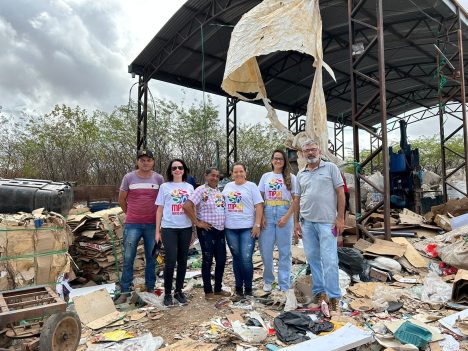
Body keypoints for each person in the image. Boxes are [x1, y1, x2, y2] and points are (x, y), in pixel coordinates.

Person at [293, 140, 345, 315]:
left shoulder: (331, 168)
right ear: (302, 154)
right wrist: (296, 222)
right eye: (306, 150)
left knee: (330, 260)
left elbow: (340, 192)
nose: (310, 153)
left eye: (313, 149)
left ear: (320, 150)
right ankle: (319, 293)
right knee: (313, 260)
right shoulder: (301, 174)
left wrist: (340, 217)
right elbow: (297, 199)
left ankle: (334, 296)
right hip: (307, 223)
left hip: (327, 223)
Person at [116, 149, 164, 304]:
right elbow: (122, 199)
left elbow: (163, 201)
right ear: (137, 161)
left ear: (153, 162)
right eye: (142, 160)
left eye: (149, 160)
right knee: (128, 257)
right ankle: (125, 291)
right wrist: (131, 213)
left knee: (152, 258)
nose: (145, 163)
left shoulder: (158, 178)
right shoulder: (129, 177)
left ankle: (150, 288)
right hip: (133, 224)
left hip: (152, 225)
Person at [183, 167, 231, 300]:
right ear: (206, 176)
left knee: (221, 260)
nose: (215, 178)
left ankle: (218, 289)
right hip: (207, 231)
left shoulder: (218, 191)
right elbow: (187, 206)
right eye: (212, 175)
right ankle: (208, 292)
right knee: (208, 260)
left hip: (220, 230)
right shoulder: (200, 190)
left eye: (217, 176)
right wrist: (197, 222)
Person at [258, 149, 298, 293]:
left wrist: (287, 217)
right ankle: (268, 280)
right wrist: (261, 216)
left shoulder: (291, 177)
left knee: (284, 251)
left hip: (284, 212)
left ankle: (284, 283)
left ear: (284, 161)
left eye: (280, 159)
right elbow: (259, 199)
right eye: (275, 158)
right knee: (266, 250)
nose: (277, 161)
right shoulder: (266, 177)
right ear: (271, 160)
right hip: (268, 212)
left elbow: (296, 200)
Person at [155, 159, 194, 307]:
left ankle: (179, 291)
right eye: (174, 168)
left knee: (183, 261)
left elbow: (193, 209)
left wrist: (194, 229)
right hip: (169, 228)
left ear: (184, 170)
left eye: (180, 167)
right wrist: (157, 231)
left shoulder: (190, 187)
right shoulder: (164, 187)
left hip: (185, 228)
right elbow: (159, 210)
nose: (177, 170)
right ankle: (168, 293)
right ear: (170, 171)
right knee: (170, 261)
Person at [222, 162, 263, 298]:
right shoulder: (228, 186)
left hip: (247, 228)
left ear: (246, 172)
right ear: (232, 174)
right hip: (230, 228)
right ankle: (239, 287)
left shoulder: (251, 186)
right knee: (236, 258)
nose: (238, 174)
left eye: (241, 171)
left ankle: (249, 288)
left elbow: (259, 206)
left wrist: (257, 225)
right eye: (235, 172)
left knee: (246, 258)